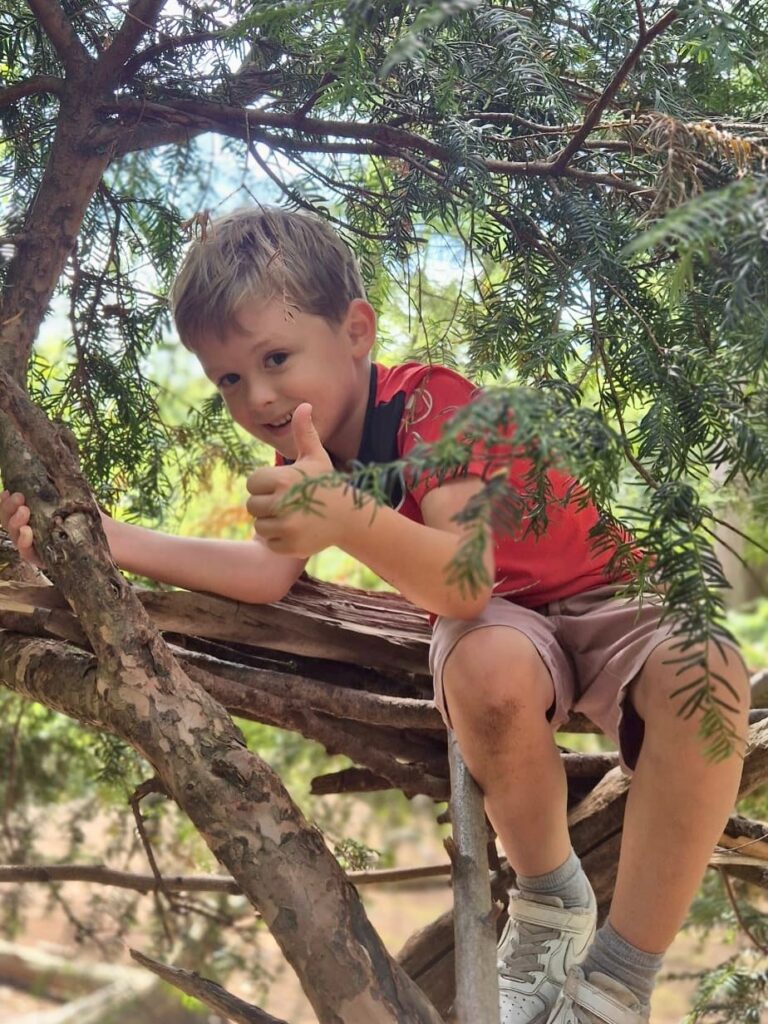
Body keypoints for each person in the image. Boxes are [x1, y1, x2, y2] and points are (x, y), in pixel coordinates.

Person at [1, 207, 748, 1024]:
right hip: (504, 629)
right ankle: (549, 903)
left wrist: (345, 517)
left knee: (706, 668)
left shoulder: (433, 406)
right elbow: (265, 576)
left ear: (356, 330)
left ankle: (617, 979)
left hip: (611, 594)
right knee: (483, 669)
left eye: (276, 358)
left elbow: (463, 576)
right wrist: (106, 538)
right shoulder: (303, 456)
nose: (257, 396)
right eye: (229, 379)